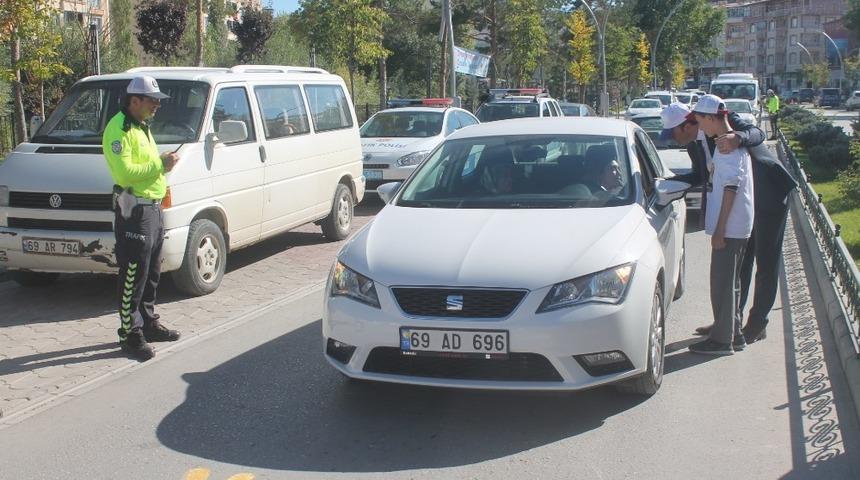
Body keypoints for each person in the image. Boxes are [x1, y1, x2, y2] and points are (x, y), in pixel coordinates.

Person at [661, 101, 797, 345]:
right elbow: (701, 175)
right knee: (740, 263)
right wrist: (666, 182)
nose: (672, 140)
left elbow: (757, 133)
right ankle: (728, 322)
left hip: (769, 195)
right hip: (741, 203)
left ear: (686, 126)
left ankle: (757, 323)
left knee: (765, 261)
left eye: (672, 134)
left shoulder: (724, 121)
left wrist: (737, 138)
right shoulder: (695, 146)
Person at [102, 75, 181, 361]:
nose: (157, 106)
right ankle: (130, 335)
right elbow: (124, 174)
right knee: (133, 274)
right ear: (135, 100)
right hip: (134, 211)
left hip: (152, 209)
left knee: (152, 273)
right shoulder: (119, 129)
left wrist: (162, 167)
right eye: (153, 101)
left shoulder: (141, 126)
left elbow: (146, 169)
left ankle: (147, 323)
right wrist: (160, 163)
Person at [687, 95, 755, 355]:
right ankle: (734, 334)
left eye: (702, 121)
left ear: (713, 118)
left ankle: (721, 341)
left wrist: (720, 230)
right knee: (731, 283)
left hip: (730, 227)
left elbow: (730, 190)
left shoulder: (727, 148)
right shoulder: (725, 142)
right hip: (736, 226)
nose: (700, 126)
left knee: (722, 283)